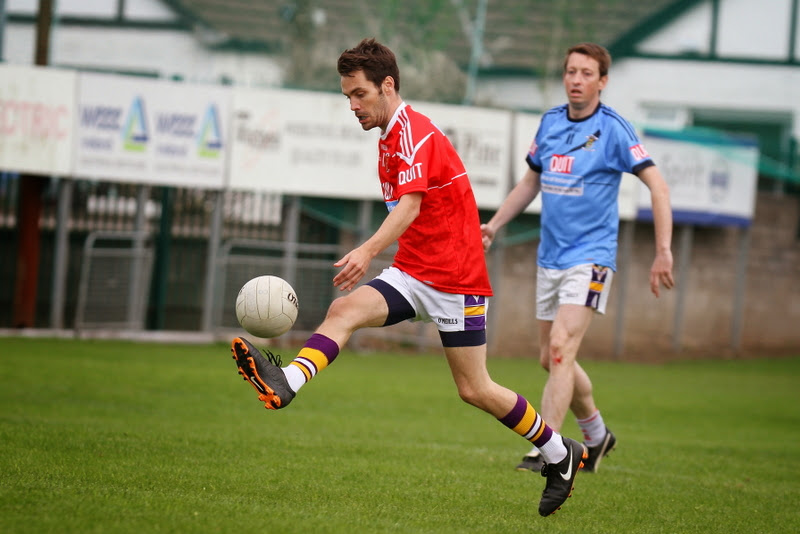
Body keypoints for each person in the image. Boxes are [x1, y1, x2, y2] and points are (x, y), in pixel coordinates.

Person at [229, 38, 586, 517]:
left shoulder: (414, 134)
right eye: (347, 97)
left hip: (457, 280)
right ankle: (287, 382)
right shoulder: (388, 139)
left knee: (475, 389)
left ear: (387, 85)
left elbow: (413, 205)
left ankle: (561, 453)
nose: (353, 106)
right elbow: (414, 213)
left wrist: (366, 250)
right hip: (415, 271)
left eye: (359, 94)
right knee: (344, 310)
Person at [481, 42, 674, 474]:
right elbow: (530, 182)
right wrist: (495, 224)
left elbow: (658, 187)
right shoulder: (550, 122)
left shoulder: (615, 130)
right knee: (550, 359)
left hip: (592, 259)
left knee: (561, 349)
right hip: (550, 258)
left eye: (587, 73)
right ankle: (598, 435)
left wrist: (663, 250)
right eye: (571, 71)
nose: (576, 80)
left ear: (602, 82)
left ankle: (548, 451)